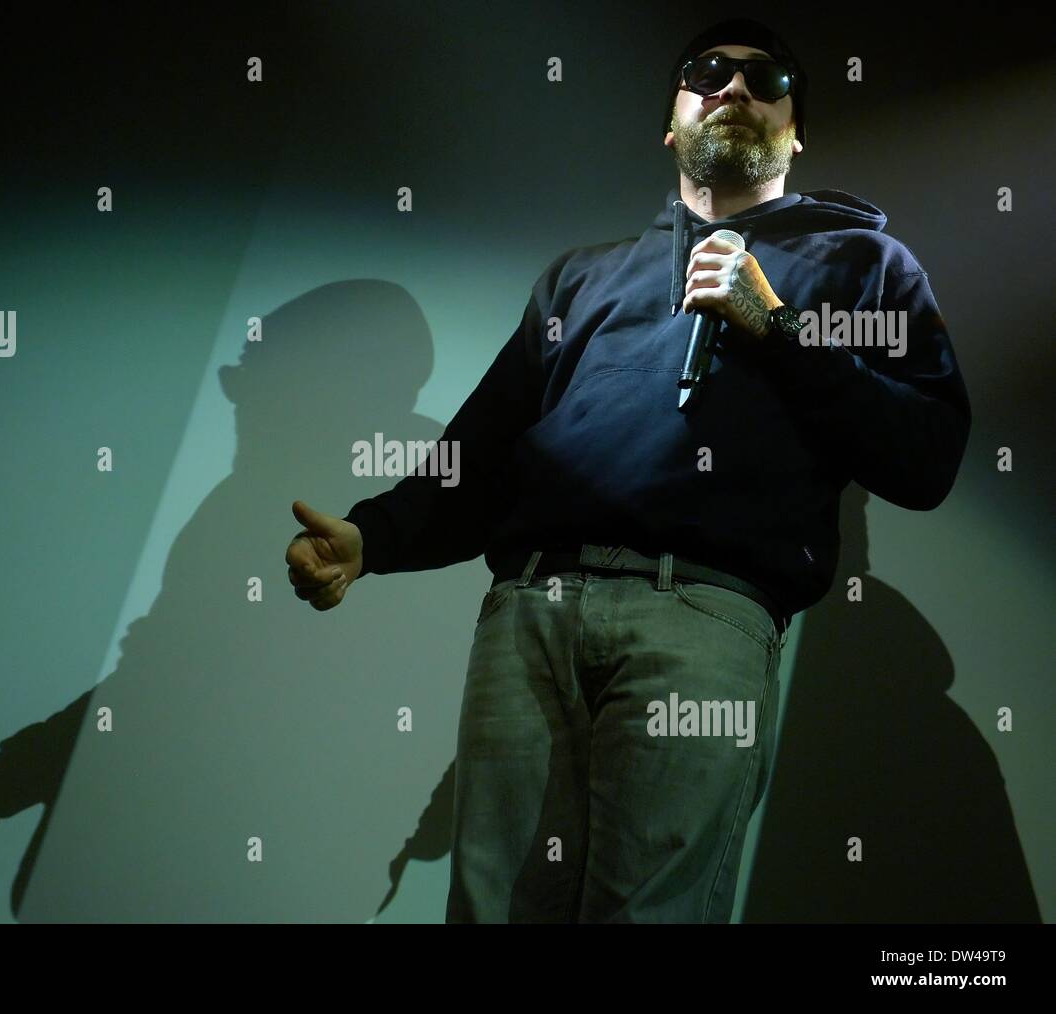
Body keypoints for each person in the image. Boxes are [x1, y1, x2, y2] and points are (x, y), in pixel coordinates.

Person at [286, 18, 971, 923]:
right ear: (671, 121)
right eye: (708, 71)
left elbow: (926, 452)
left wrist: (780, 330)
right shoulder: (581, 281)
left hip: (703, 616)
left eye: (766, 77)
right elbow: (484, 452)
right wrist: (372, 536)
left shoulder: (863, 265)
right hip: (529, 617)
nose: (735, 86)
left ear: (796, 129)